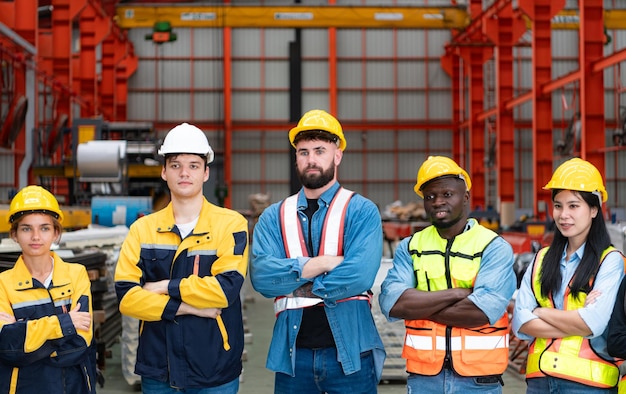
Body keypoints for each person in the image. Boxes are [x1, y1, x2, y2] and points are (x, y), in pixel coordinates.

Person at [250, 109, 386, 394]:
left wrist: (295, 285)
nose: (311, 159)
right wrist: (324, 263)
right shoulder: (274, 217)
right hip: (293, 357)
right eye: (303, 152)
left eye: (320, 150)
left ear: (337, 155)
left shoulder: (360, 211)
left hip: (350, 354)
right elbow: (262, 278)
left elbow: (359, 276)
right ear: (296, 158)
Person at [114, 123, 249, 393]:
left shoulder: (230, 224)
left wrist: (165, 287)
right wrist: (188, 307)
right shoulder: (143, 229)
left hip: (214, 367)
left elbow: (224, 291)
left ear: (206, 172)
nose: (184, 173)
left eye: (193, 165)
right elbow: (127, 299)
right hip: (158, 366)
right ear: (164, 172)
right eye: (175, 165)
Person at [379, 155, 516, 393]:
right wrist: (458, 294)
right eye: (430, 196)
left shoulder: (492, 246)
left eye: (447, 194)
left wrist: (420, 307)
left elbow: (481, 311)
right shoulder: (411, 247)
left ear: (465, 197)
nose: (437, 201)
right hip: (424, 378)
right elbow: (392, 304)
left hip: (479, 380)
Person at [512, 157, 624, 393]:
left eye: (573, 206)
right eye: (558, 205)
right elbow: (520, 322)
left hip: (589, 384)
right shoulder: (541, 259)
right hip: (539, 382)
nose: (563, 214)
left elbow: (593, 323)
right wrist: (578, 321)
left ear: (594, 209)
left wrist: (539, 312)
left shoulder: (610, 261)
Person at [0, 185, 97, 393]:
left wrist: (24, 332)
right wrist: (65, 322)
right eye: (26, 228)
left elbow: (80, 344)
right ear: (15, 234)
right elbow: (7, 347)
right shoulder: (3, 284)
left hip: (73, 387)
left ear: (56, 233)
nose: (36, 237)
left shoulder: (76, 274)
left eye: (44, 228)